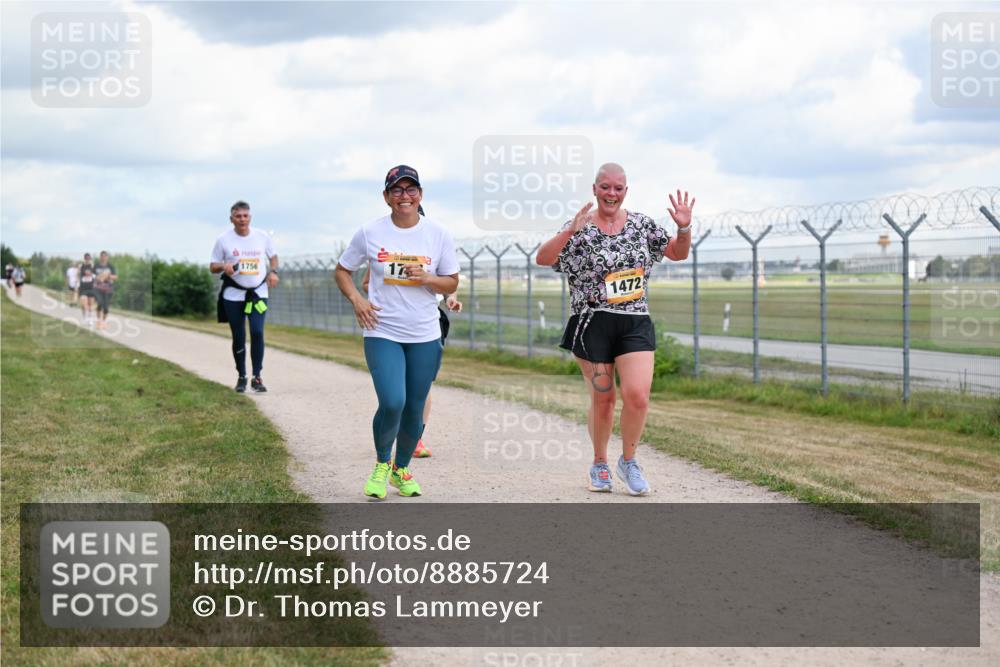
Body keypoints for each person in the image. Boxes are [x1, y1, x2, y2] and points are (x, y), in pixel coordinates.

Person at [536, 163, 694, 496]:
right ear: (595, 190)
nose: (612, 193)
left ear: (626, 191)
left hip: (634, 319)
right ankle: (599, 463)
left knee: (637, 396)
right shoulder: (579, 226)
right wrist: (569, 233)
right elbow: (543, 258)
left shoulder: (641, 224)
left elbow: (678, 254)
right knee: (604, 399)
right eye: (605, 187)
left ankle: (629, 461)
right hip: (591, 321)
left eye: (618, 188)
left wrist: (684, 229)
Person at [335, 165, 459, 498]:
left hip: (424, 333)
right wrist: (357, 300)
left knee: (415, 407)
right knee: (393, 401)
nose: (404, 196)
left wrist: (428, 279)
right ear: (386, 196)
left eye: (411, 189)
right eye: (397, 190)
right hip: (382, 330)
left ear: (420, 194)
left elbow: (451, 281)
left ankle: (401, 470)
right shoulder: (369, 232)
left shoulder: (438, 234)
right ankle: (380, 464)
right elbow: (343, 270)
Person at [360, 222, 463, 459]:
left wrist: (450, 298)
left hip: (427, 323)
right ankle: (392, 445)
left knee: (422, 388)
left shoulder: (435, 242)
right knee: (396, 396)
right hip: (390, 326)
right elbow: (368, 282)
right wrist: (387, 289)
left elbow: (448, 281)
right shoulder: (386, 249)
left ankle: (416, 438)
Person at [210, 201, 279, 393]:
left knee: (257, 332)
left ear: (250, 217)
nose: (242, 219)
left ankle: (257, 377)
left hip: (258, 294)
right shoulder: (223, 239)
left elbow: (273, 257)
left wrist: (273, 271)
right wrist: (224, 266)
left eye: (245, 216)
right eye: (238, 216)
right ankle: (241, 376)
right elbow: (213, 265)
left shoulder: (262, 237)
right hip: (234, 295)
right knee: (239, 336)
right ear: (231, 219)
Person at [93, 251, 118, 330]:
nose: (103, 258)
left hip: (108, 288)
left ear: (107, 257)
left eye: (105, 256)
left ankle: (104, 322)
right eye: (102, 256)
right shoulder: (96, 266)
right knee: (100, 303)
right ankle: (98, 321)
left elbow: (115, 277)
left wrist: (108, 276)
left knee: (106, 307)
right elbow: (92, 275)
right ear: (100, 257)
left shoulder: (110, 266)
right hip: (98, 288)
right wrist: (98, 277)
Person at [78, 253, 97, 326]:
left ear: (90, 258)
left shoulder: (93, 266)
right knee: (83, 304)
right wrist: (77, 284)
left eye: (89, 258)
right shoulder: (81, 266)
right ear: (84, 258)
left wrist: (95, 282)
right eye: (86, 258)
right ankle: (84, 318)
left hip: (91, 287)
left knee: (90, 303)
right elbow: (78, 275)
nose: (87, 259)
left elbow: (95, 275)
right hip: (83, 287)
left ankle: (90, 318)